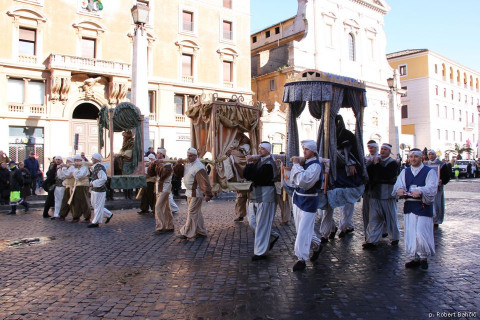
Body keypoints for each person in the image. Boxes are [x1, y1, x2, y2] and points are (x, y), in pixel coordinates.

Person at [393, 148, 437, 270]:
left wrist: (421, 191)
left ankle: (423, 257)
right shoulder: (405, 172)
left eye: (415, 157)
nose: (413, 159)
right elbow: (398, 184)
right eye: (411, 157)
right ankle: (415, 257)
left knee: (421, 232)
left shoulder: (429, 172)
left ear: (421, 158)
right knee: (411, 232)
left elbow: (432, 187)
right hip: (410, 206)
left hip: (423, 206)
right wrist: (399, 190)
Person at [288, 140, 323, 271]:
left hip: (309, 202)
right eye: (303, 149)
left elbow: (305, 182)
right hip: (298, 199)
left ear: (313, 151)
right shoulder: (305, 164)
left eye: (307, 149)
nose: (304, 152)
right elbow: (293, 181)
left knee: (303, 231)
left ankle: (301, 259)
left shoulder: (316, 166)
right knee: (303, 230)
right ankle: (318, 245)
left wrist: (296, 165)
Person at [244, 141, 280, 261]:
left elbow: (257, 177)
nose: (259, 150)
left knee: (262, 225)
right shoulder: (260, 161)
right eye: (259, 148)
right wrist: (250, 164)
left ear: (268, 150)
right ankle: (272, 235)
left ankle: (260, 252)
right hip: (256, 196)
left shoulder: (269, 163)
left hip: (265, 196)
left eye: (262, 149)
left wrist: (250, 164)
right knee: (252, 222)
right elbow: (247, 174)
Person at [363, 143, 400, 249]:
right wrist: (371, 163)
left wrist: (377, 165)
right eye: (382, 149)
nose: (383, 151)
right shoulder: (375, 161)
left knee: (390, 217)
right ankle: (371, 240)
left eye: (385, 149)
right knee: (374, 218)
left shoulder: (393, 163)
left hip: (387, 195)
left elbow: (385, 175)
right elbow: (369, 174)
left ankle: (395, 237)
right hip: (375, 194)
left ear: (389, 151)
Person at [174, 147, 213, 240]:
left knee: (191, 212)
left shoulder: (199, 167)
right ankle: (201, 231)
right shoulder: (187, 164)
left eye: (191, 156)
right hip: (189, 192)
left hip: (196, 193)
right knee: (196, 212)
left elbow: (204, 182)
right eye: (188, 155)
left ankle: (186, 232)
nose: (189, 157)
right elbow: (179, 174)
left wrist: (207, 194)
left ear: (196, 156)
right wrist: (178, 164)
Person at [425, 150, 450, 228]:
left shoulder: (442, 164)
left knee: (437, 203)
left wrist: (442, 180)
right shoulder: (425, 164)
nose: (431, 156)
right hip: (428, 187)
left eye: (432, 154)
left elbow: (446, 176)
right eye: (429, 154)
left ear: (435, 155)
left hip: (437, 188)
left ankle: (436, 220)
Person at [88, 153, 113, 228]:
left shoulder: (100, 168)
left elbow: (104, 178)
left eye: (92, 158)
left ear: (96, 159)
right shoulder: (96, 167)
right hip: (95, 189)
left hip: (100, 190)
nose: (91, 159)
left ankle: (95, 222)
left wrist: (94, 183)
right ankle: (108, 214)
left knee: (98, 206)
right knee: (95, 205)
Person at [153, 160, 175, 234]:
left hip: (165, 188)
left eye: (159, 153)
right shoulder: (160, 165)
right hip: (160, 188)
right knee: (166, 208)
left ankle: (161, 227)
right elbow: (151, 173)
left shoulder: (168, 165)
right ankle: (170, 225)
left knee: (158, 207)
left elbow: (163, 175)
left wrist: (159, 165)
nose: (158, 155)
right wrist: (153, 165)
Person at [70, 154, 91, 223]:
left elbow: (79, 176)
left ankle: (87, 217)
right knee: (76, 202)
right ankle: (76, 216)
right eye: (74, 160)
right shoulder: (76, 167)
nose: (75, 161)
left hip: (83, 185)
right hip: (77, 185)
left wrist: (75, 169)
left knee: (84, 201)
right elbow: (75, 176)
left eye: (77, 160)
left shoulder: (84, 167)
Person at [158, 148, 179, 213]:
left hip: (166, 182)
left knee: (168, 197)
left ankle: (174, 208)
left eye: (158, 153)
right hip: (161, 183)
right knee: (165, 196)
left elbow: (165, 174)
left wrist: (160, 167)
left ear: (162, 154)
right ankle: (170, 208)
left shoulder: (167, 163)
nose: (157, 154)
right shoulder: (161, 162)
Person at [51, 156, 65, 220]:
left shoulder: (63, 167)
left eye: (59, 159)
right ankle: (56, 214)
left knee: (61, 200)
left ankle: (61, 214)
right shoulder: (55, 167)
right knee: (56, 200)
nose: (57, 161)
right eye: (56, 159)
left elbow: (64, 175)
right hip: (57, 185)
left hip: (62, 186)